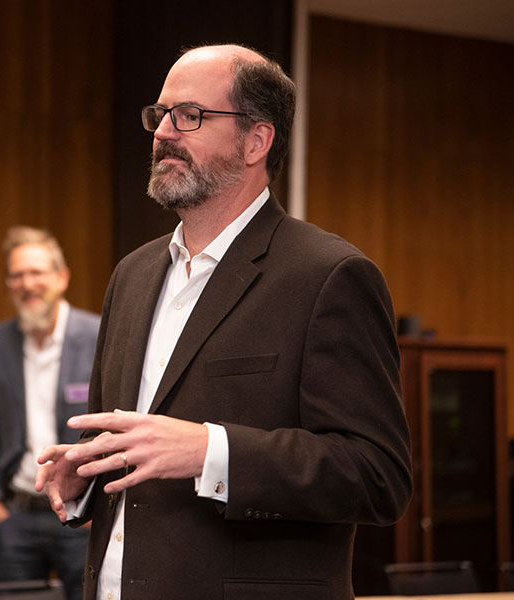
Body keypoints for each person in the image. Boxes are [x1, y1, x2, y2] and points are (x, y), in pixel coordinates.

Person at [35, 44, 413, 600]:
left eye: (189, 115)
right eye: (160, 114)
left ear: (256, 141)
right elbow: (128, 447)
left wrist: (211, 451)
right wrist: (86, 475)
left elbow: (378, 475)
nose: (164, 132)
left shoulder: (328, 276)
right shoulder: (131, 275)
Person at [0, 226, 100, 600]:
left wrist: (96, 511)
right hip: (16, 519)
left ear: (62, 277)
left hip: (79, 517)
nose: (27, 284)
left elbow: (114, 425)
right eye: (17, 275)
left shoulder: (97, 335)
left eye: (36, 273)